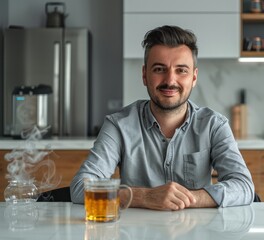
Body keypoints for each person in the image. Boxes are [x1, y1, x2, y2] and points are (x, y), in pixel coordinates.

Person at [70, 25, 254, 210]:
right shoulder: (118, 125)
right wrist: (144, 196)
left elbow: (244, 186)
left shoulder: (214, 125)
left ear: (194, 77)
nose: (170, 81)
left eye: (181, 70)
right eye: (159, 69)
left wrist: (189, 199)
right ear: (144, 75)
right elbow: (80, 188)